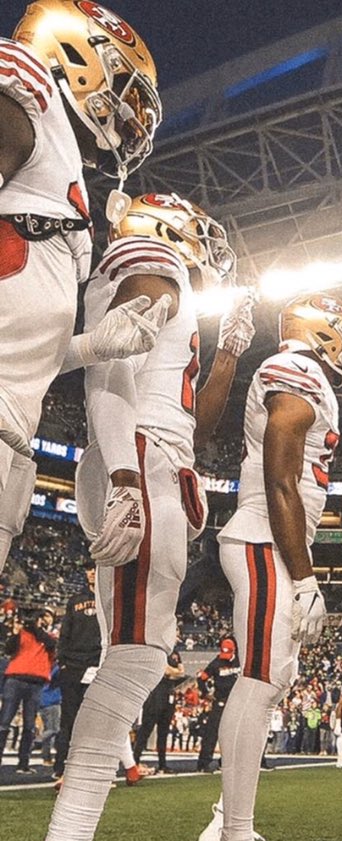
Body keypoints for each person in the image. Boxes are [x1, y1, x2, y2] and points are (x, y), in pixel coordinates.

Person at [8, 191, 255, 841]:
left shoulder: (163, 276)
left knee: (138, 656)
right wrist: (122, 473)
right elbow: (109, 374)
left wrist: (224, 361)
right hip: (140, 459)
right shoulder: (153, 260)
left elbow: (197, 423)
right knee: (140, 658)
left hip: (157, 455)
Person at [197, 292, 342, 841]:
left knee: (268, 679)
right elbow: (280, 477)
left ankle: (225, 827)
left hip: (268, 541)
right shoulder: (297, 372)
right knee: (261, 679)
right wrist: (303, 575)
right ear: (319, 333)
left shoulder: (308, 376)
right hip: (263, 541)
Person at [0, 1, 169, 575]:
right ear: (78, 61)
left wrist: (93, 347)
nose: (133, 116)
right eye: (126, 89)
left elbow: (23, 348)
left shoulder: (59, 167)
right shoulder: (30, 91)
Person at [52, 565, 100, 777]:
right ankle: (60, 767)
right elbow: (65, 633)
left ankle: (86, 769)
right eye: (89, 569)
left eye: (96, 569)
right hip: (73, 666)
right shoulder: (75, 600)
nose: (92, 572)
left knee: (93, 721)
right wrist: (62, 661)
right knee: (68, 720)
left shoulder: (110, 600)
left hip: (96, 666)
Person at [0, 609, 55, 772]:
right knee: (4, 722)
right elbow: (9, 650)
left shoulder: (46, 638)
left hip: (33, 682)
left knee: (29, 725)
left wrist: (35, 627)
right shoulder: (21, 635)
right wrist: (16, 633)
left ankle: (23, 763)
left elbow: (52, 645)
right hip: (16, 679)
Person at [133, 651, 185, 774]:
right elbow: (166, 671)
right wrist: (173, 672)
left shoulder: (175, 652)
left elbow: (181, 672)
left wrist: (173, 673)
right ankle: (134, 762)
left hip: (169, 694)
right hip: (155, 695)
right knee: (145, 731)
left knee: (163, 732)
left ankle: (163, 764)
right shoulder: (160, 652)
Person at [196, 638, 241, 772]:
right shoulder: (216, 663)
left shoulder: (240, 662)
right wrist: (206, 694)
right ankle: (204, 763)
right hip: (221, 701)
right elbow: (201, 679)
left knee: (234, 734)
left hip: (236, 702)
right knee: (212, 732)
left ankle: (226, 762)